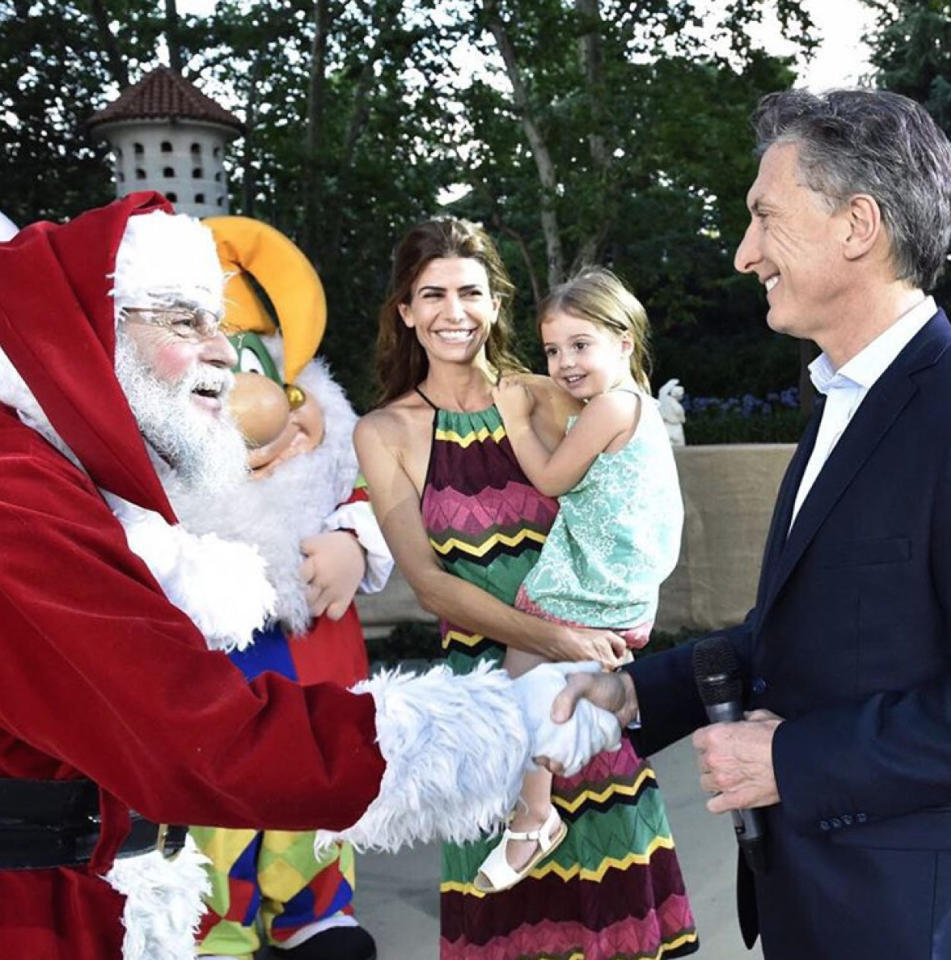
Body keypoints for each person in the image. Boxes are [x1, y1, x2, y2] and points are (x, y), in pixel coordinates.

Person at [0, 192, 623, 960]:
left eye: (220, 323)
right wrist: (522, 719)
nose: (226, 352)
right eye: (183, 319)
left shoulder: (63, 470)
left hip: (323, 675)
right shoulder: (17, 493)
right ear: (84, 330)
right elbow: (200, 739)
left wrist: (356, 539)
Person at [553, 88, 951, 960]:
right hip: (811, 906)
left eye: (764, 218)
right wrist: (633, 692)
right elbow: (805, 631)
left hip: (907, 919)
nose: (744, 255)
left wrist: (794, 763)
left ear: (858, 226)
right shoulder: (842, 399)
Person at [354, 220, 698, 960]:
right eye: (433, 294)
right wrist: (553, 638)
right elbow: (428, 583)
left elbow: (635, 491)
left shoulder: (553, 396)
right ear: (406, 311)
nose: (455, 311)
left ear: (495, 304)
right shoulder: (385, 433)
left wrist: (625, 611)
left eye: (471, 293)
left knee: (616, 929)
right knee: (504, 931)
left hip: (585, 698)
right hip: (485, 711)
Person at [168, 216, 389, 960]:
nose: (250, 399)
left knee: (313, 780)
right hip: (209, 665)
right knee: (213, 800)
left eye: (257, 362)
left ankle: (315, 913)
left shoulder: (331, 443)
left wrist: (356, 542)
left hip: (312, 656)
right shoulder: (153, 459)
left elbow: (377, 501)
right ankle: (215, 930)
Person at [472, 268, 684, 894]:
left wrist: (512, 412)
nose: (564, 362)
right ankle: (542, 788)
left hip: (592, 584)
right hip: (621, 586)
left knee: (522, 672)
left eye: (580, 345)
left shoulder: (612, 407)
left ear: (624, 342)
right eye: (553, 349)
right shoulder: (629, 405)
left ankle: (535, 811)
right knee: (543, 683)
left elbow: (550, 480)